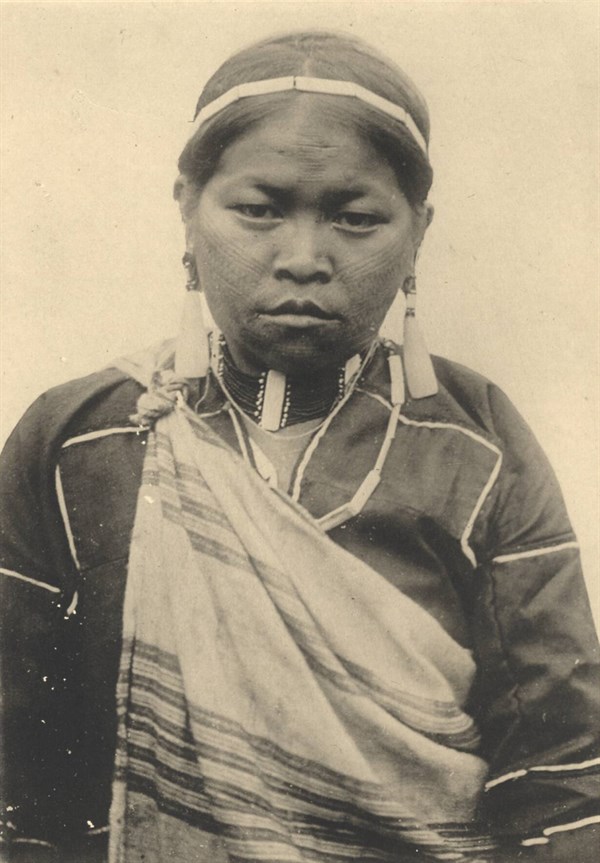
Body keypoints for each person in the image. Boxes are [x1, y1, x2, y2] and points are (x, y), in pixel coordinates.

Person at [0, 30, 598, 863]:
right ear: (188, 207)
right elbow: (19, 772)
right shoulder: (78, 441)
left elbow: (561, 776)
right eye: (259, 209)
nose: (304, 258)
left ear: (417, 233)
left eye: (357, 218)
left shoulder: (477, 446)